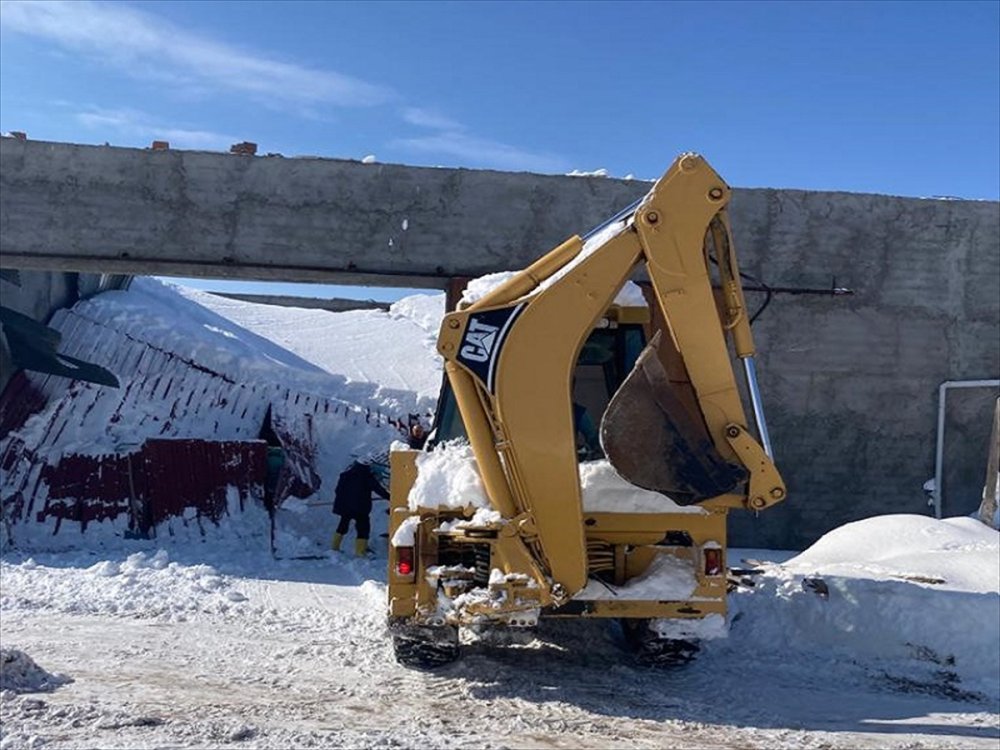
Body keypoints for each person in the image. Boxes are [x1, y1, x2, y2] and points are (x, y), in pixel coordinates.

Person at [331, 460, 389, 556]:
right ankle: (360, 552)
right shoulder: (367, 477)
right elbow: (379, 490)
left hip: (345, 506)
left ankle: (334, 547)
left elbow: (338, 490)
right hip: (360, 508)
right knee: (363, 529)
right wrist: (390, 497)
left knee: (343, 525)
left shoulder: (345, 475)